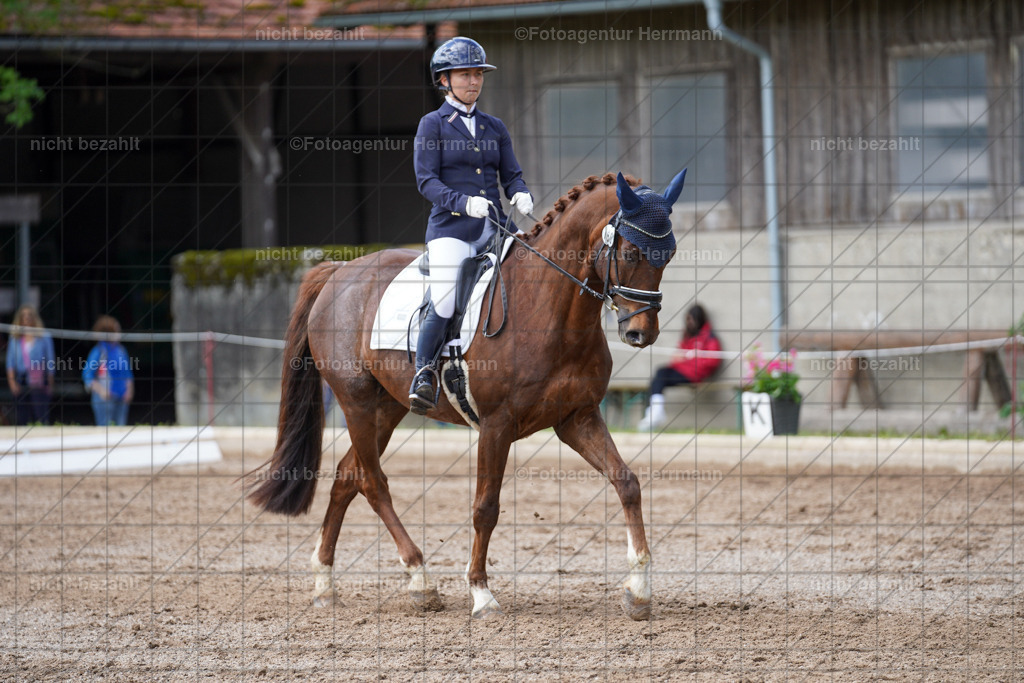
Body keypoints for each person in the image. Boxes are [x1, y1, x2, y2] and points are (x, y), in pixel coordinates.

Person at [409, 36, 534, 414]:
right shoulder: (432, 125)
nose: (474, 81)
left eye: (478, 74)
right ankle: (424, 372)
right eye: (465, 74)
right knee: (446, 295)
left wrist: (520, 192)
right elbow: (426, 181)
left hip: (497, 227)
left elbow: (511, 175)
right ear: (444, 80)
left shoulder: (494, 126)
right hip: (452, 229)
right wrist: (463, 203)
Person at [638, 304, 722, 430]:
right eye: (688, 319)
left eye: (692, 319)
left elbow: (713, 361)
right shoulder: (688, 335)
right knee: (659, 375)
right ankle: (654, 412)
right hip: (682, 370)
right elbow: (679, 357)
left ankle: (655, 412)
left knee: (660, 376)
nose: (690, 323)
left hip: (695, 374)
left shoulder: (709, 337)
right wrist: (682, 358)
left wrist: (692, 359)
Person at [5, 304, 56, 425]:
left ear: (34, 318)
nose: (26, 318)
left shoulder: (44, 336)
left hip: (39, 380)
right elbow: (10, 362)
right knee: (22, 417)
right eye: (24, 316)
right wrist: (12, 383)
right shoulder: (15, 338)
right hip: (21, 379)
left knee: (40, 415)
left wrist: (50, 382)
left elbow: (50, 361)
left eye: (29, 315)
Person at [82, 315, 134, 426]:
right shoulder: (98, 351)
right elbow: (87, 375)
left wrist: (129, 390)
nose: (119, 333)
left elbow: (127, 373)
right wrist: (101, 391)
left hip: (122, 398)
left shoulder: (121, 350)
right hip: (105, 399)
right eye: (116, 330)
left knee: (120, 430)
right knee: (105, 431)